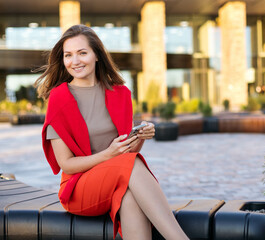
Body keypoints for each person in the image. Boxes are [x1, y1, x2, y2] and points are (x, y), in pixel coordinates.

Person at [35, 24, 189, 240]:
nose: (75, 61)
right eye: (68, 55)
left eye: (82, 53)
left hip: (116, 178)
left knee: (129, 196)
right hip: (78, 188)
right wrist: (108, 154)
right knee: (132, 165)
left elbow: (125, 154)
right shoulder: (59, 98)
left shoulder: (121, 93)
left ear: (97, 55)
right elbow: (66, 164)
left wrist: (139, 137)